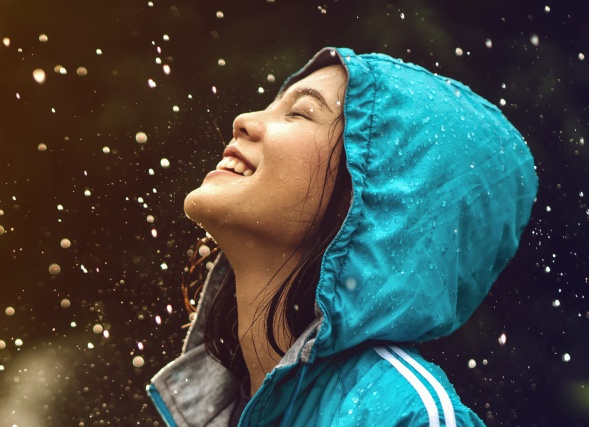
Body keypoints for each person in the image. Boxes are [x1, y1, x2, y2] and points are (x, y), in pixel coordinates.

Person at [147, 47, 538, 426]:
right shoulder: (226, 408)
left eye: (300, 112)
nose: (244, 119)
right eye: (270, 105)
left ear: (377, 199)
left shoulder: (407, 419)